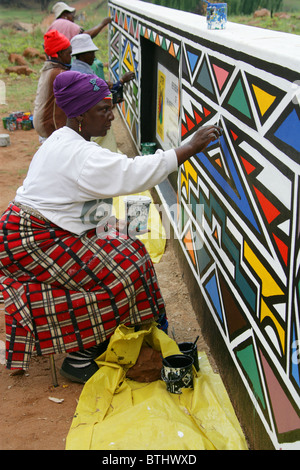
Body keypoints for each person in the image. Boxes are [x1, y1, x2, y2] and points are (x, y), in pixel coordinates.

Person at [0, 71, 222, 384]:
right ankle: (82, 355)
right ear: (80, 116)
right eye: (102, 110)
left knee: (129, 246)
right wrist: (189, 147)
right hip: (32, 243)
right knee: (124, 269)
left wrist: (109, 226)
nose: (111, 115)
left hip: (40, 231)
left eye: (109, 107)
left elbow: (74, 202)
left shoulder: (65, 141)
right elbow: (135, 173)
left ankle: (137, 334)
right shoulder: (79, 153)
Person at [70, 33, 135, 101]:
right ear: (83, 55)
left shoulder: (76, 67)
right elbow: (96, 96)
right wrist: (122, 81)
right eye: (91, 53)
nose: (94, 56)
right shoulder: (84, 74)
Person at [33, 30, 72, 139]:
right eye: (69, 53)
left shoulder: (49, 68)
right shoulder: (59, 74)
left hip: (41, 125)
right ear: (59, 54)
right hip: (50, 128)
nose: (71, 57)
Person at [47, 1, 112, 40]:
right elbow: (86, 36)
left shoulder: (53, 25)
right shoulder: (66, 23)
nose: (73, 17)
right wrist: (103, 24)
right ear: (65, 14)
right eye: (71, 14)